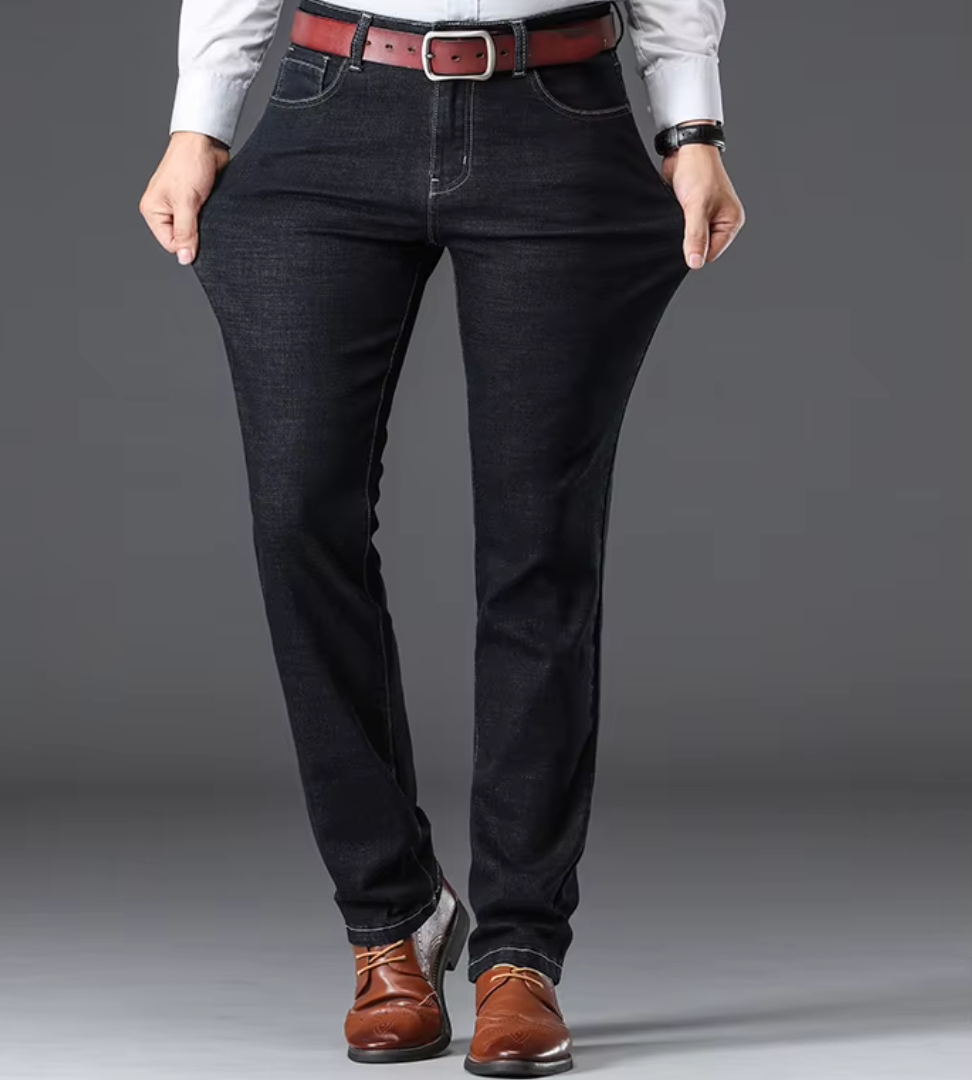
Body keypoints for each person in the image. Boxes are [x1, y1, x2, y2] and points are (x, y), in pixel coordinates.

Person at [139, 0, 744, 1073]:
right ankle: (392, 914)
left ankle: (519, 952)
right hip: (333, 105)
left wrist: (691, 128)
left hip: (557, 109)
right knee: (297, 515)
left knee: (540, 545)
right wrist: (199, 122)